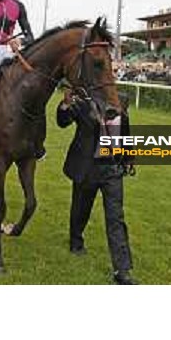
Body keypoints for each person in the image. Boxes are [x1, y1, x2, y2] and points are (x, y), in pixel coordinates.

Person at [57, 89, 137, 285]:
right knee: (80, 209)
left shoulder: (121, 105)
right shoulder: (84, 105)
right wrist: (65, 104)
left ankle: (122, 270)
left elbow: (125, 133)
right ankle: (76, 241)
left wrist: (129, 159)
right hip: (87, 168)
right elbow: (63, 121)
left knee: (115, 217)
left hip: (112, 171)